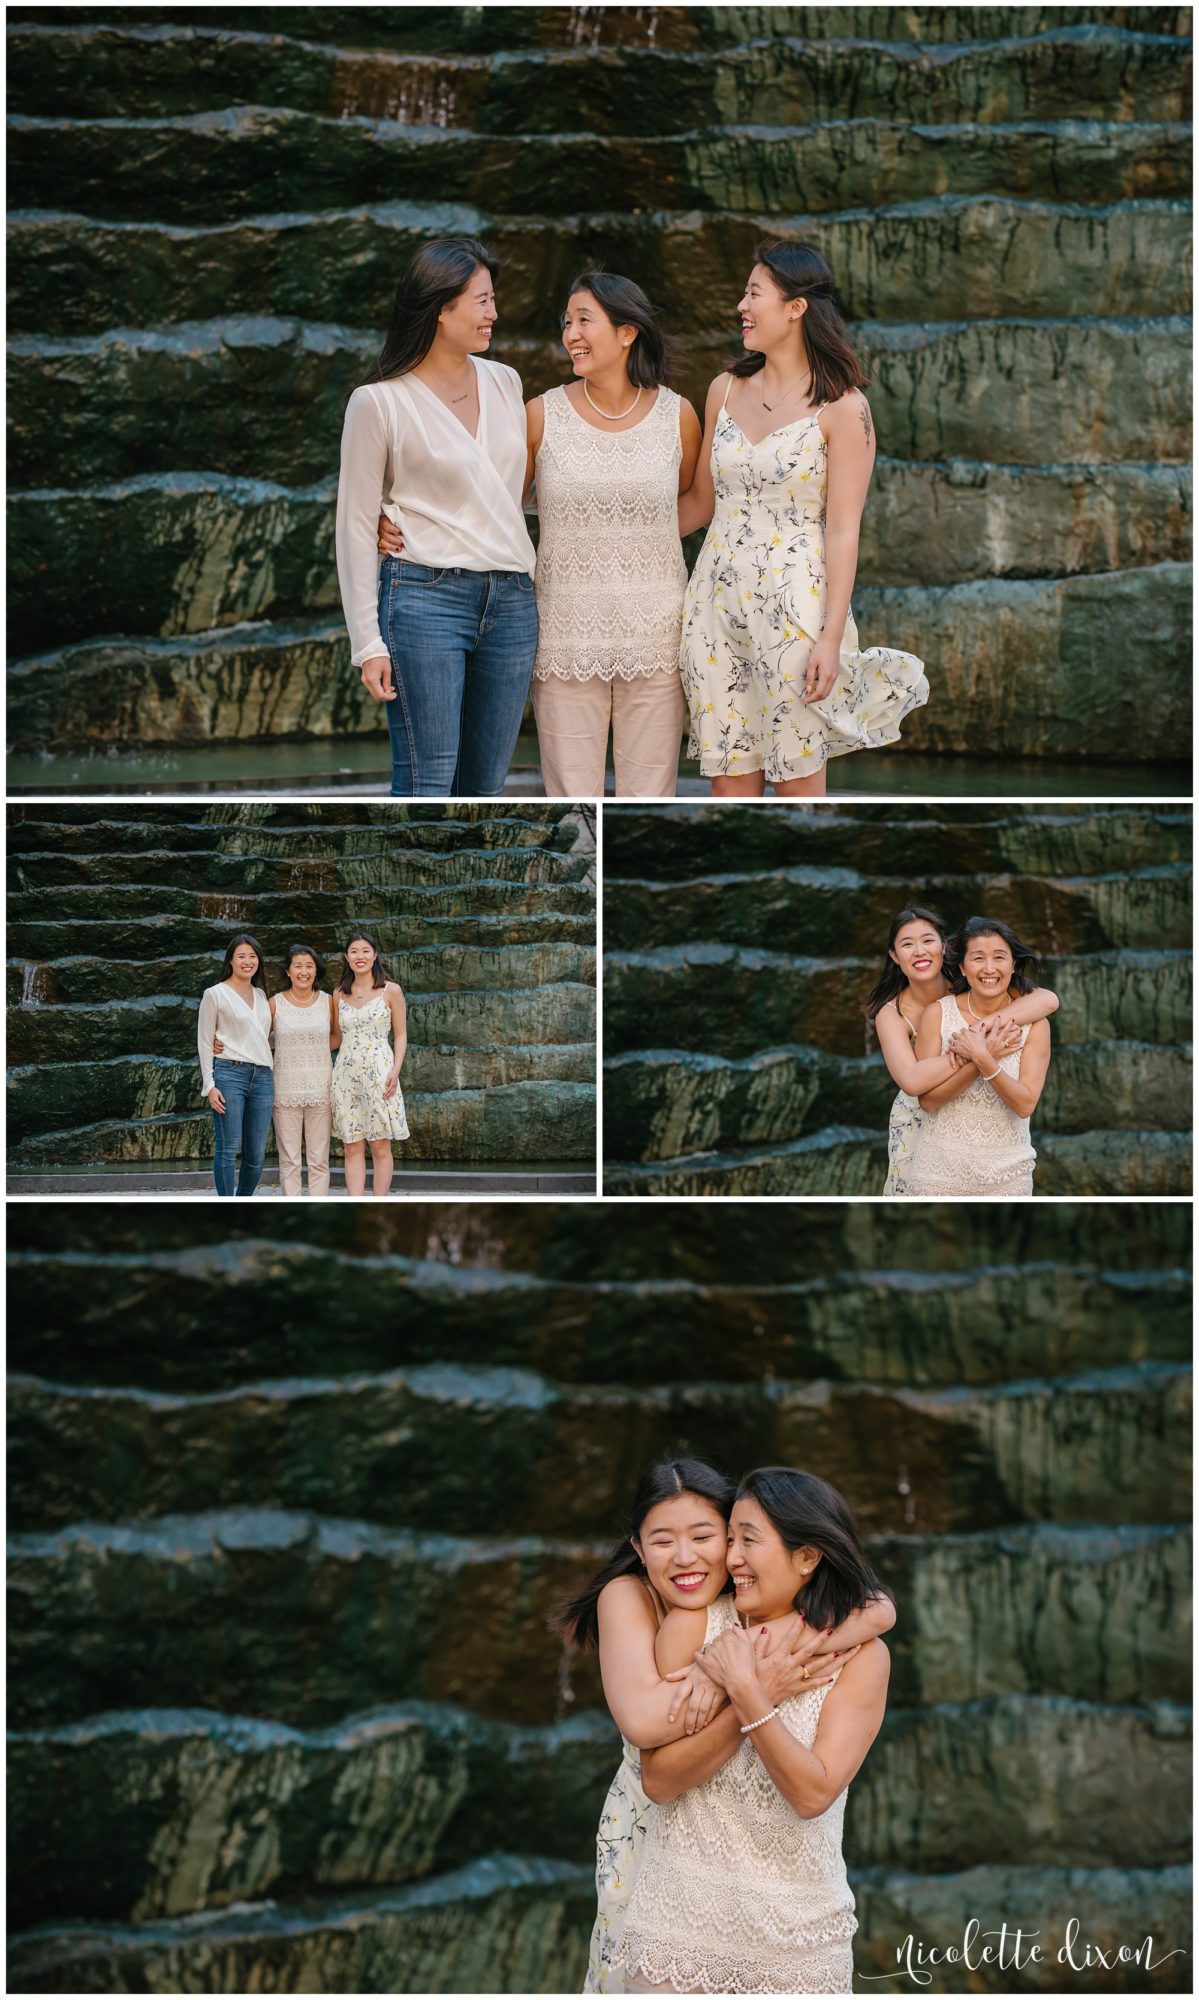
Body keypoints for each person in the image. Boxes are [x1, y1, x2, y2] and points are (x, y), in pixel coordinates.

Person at [553, 1458, 895, 1993]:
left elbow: (876, 1607)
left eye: (718, 1537)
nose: (715, 1557)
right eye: (663, 1541)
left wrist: (743, 1676)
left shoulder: (853, 1648)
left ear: (806, 1555)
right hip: (656, 1863)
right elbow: (650, 1739)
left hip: (799, 1931)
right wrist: (747, 1686)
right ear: (639, 1550)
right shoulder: (655, 1606)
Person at [380, 270, 700, 798]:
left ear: (627, 332)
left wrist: (633, 536)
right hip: (563, 633)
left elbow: (692, 500)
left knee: (652, 797)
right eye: (566, 322)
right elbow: (489, 500)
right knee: (571, 799)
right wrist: (386, 513)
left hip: (659, 633)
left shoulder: (678, 414)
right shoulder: (539, 415)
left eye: (584, 321)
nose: (570, 334)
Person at [678, 241, 928, 796]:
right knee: (727, 785)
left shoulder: (844, 408)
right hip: (713, 607)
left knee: (797, 784)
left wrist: (830, 639)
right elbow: (698, 504)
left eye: (753, 293)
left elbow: (842, 530)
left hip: (795, 611)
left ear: (796, 307)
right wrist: (609, 533)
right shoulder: (723, 389)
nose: (742, 305)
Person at [336, 236, 537, 797]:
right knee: (427, 783)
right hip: (425, 598)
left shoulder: (505, 382)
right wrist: (367, 642)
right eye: (481, 300)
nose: (494, 313)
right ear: (439, 306)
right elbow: (354, 523)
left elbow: (505, 493)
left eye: (493, 298)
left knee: (485, 789)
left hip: (514, 602)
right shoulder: (378, 402)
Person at [866, 905, 1059, 1194]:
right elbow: (913, 1082)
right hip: (918, 1112)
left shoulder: (974, 981)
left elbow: (1047, 1000)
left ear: (944, 948)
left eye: (928, 940)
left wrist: (979, 1034)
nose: (919, 951)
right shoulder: (892, 1012)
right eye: (907, 944)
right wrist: (982, 1052)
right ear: (894, 956)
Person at [196, 933, 274, 1198]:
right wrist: (210, 1085)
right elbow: (205, 1042)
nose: (247, 961)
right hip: (229, 1074)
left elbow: (263, 1038)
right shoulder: (214, 994)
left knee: (256, 1155)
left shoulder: (262, 995)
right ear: (231, 960)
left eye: (253, 957)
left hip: (263, 1077)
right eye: (241, 956)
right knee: (228, 1149)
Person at [331, 931, 408, 1197]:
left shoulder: (391, 990)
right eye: (354, 951)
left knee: (379, 1145)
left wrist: (395, 1072)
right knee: (351, 1146)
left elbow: (400, 1034)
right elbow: (335, 1039)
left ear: (374, 954)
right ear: (347, 957)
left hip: (380, 1074)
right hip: (345, 1077)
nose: (360, 956)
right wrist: (281, 1042)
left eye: (365, 951)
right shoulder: (339, 993)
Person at [268, 943, 338, 1198]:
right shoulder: (274, 1004)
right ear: (288, 971)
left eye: (309, 966)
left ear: (316, 970)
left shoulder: (329, 1002)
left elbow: (337, 1038)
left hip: (321, 1088)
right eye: (298, 966)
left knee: (319, 1161)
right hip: (285, 1090)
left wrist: (313, 1049)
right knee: (289, 1162)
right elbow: (258, 1040)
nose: (304, 971)